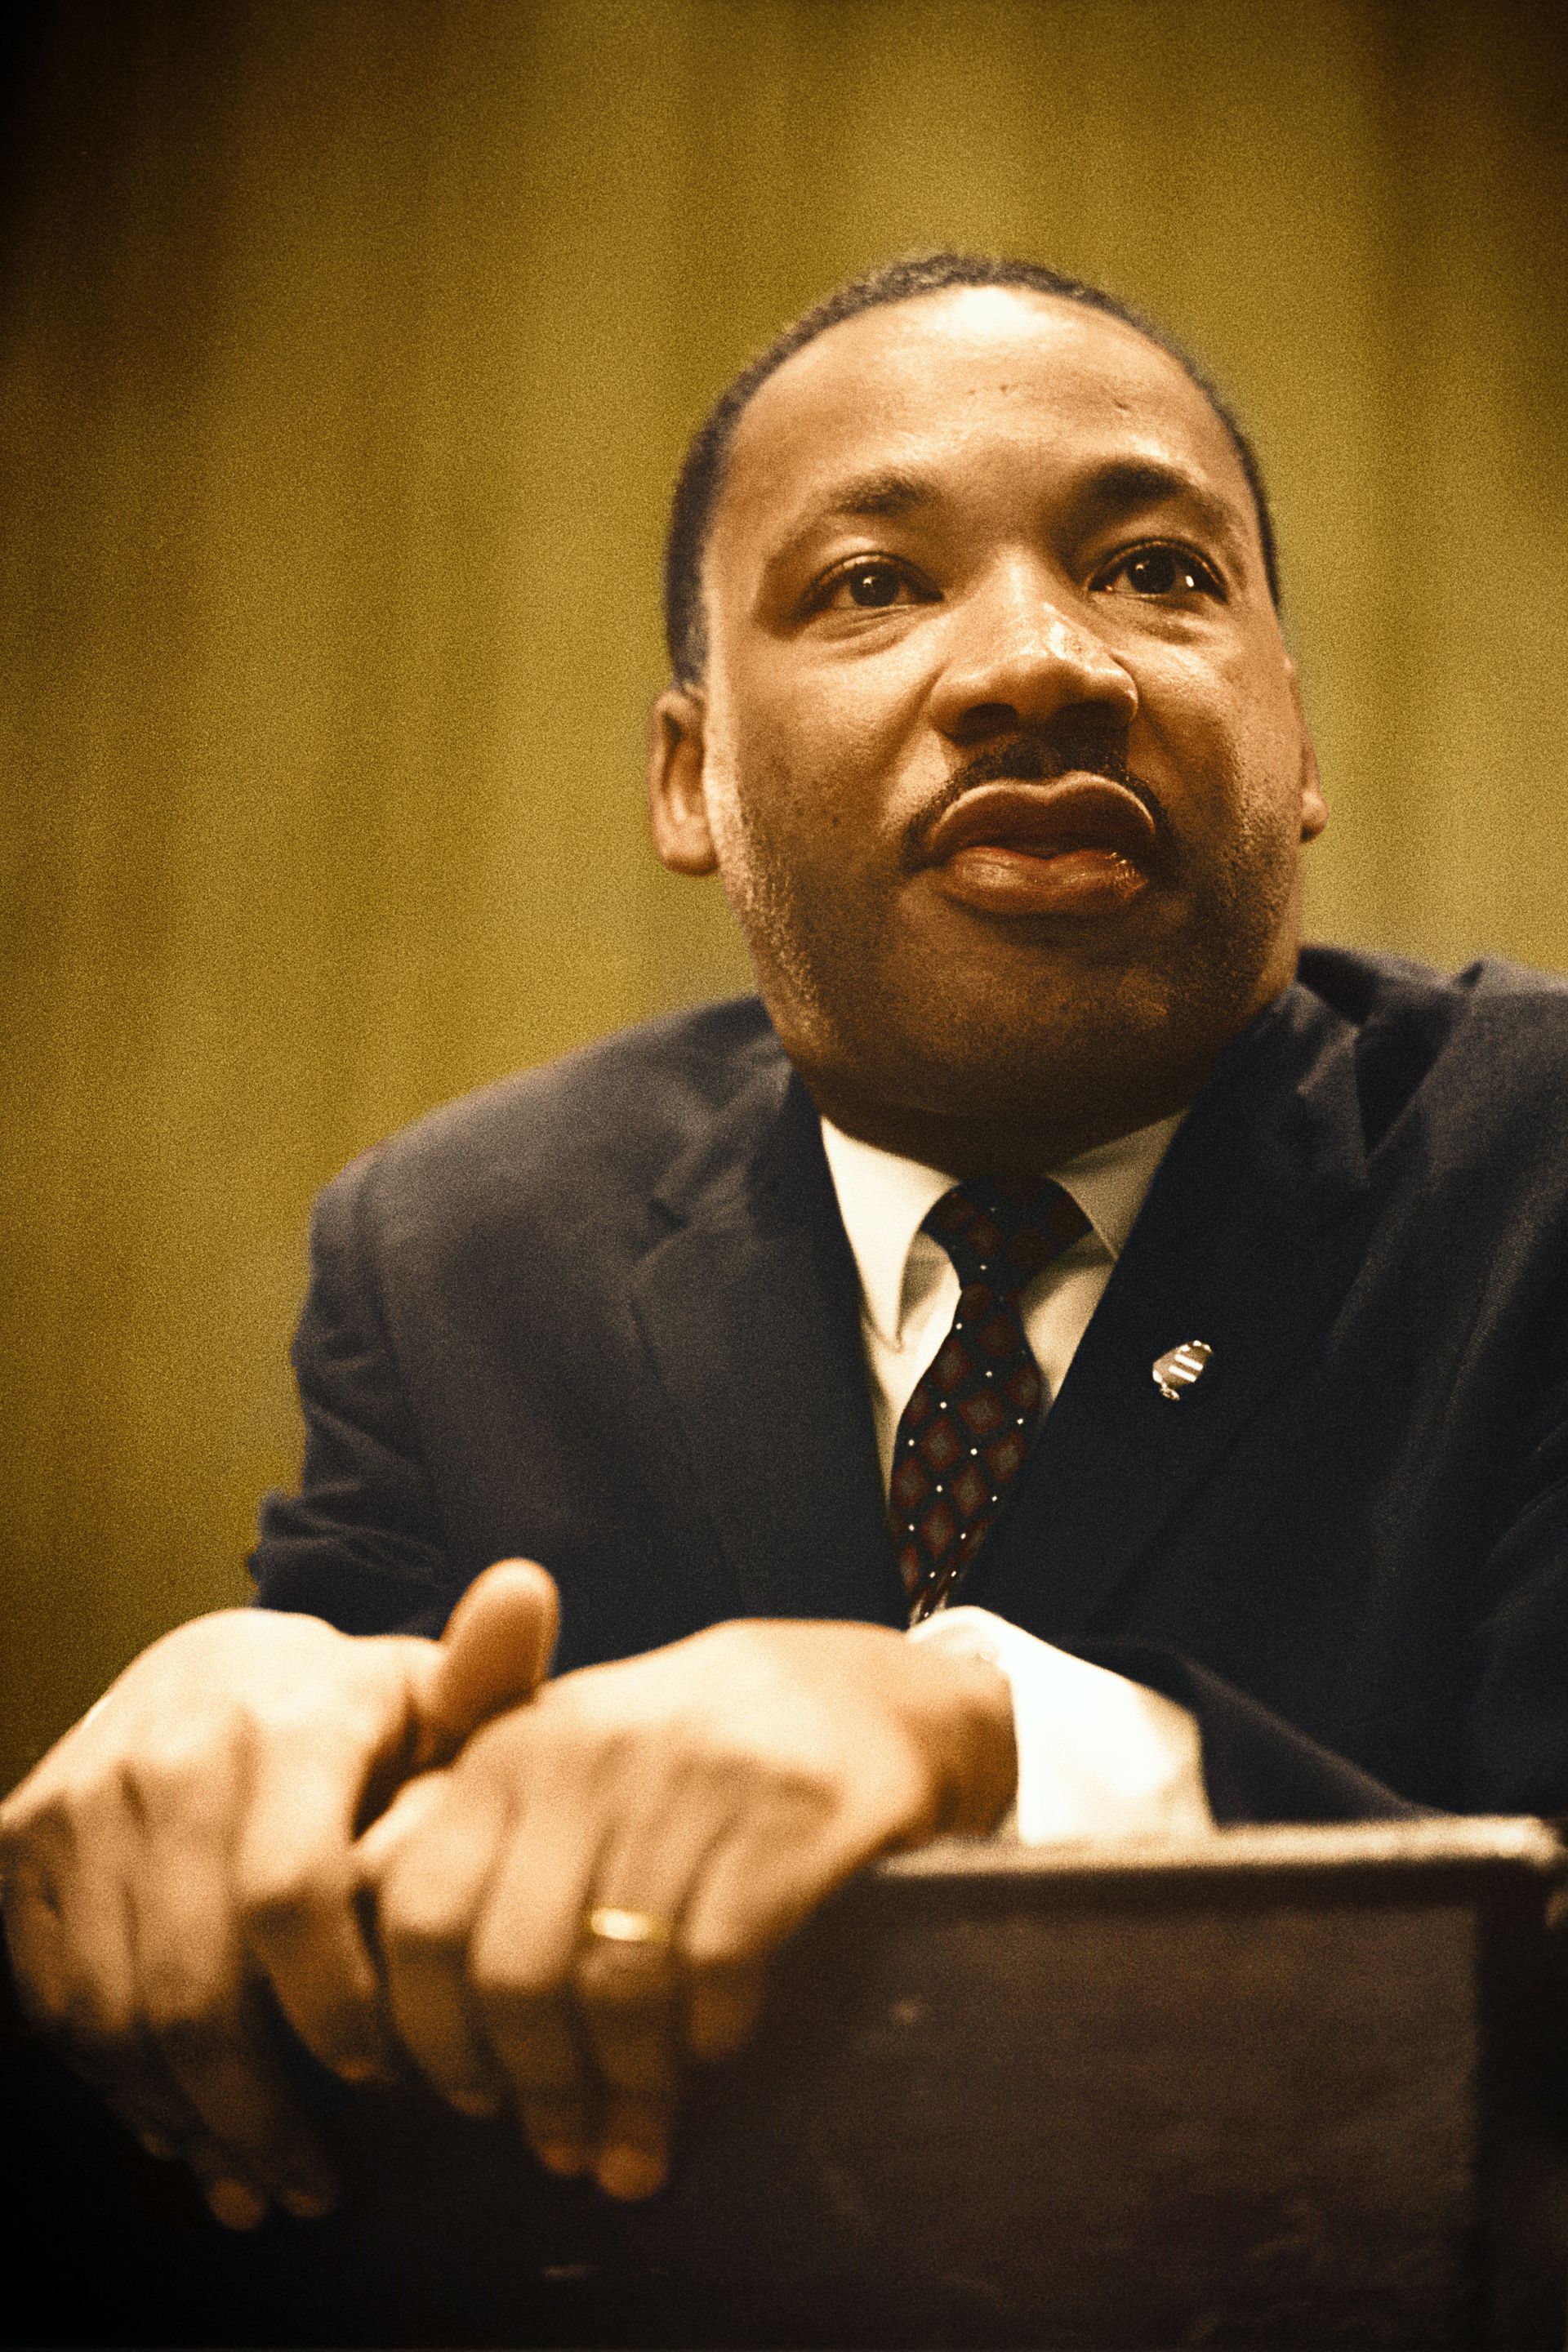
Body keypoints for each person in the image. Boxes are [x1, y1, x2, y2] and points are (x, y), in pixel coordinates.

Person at [7, 250, 1568, 2250]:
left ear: (1299, 737)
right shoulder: (463, 1251)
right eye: (872, 584)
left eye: (1159, 572)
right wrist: (253, 1723)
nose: (1043, 663)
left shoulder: (1531, 1170)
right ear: (692, 779)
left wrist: (982, 1735)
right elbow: (347, 1924)